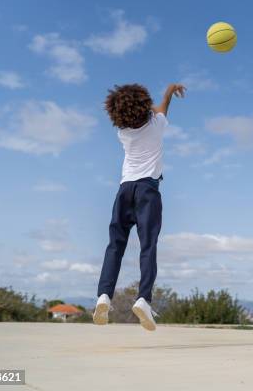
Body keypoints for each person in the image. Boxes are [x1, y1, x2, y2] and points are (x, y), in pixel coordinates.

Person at [93, 83, 185, 331]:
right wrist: (169, 92)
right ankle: (143, 299)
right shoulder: (156, 124)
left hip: (124, 190)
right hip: (147, 190)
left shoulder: (122, 132)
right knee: (147, 246)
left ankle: (104, 295)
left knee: (115, 245)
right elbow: (161, 108)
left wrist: (140, 107)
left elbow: (144, 111)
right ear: (144, 106)